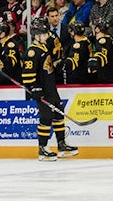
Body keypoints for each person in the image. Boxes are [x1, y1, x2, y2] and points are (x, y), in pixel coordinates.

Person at [22, 19, 78, 161]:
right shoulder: (32, 52)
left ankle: (61, 144)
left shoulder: (44, 48)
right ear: (36, 36)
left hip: (51, 88)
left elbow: (47, 67)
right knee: (46, 117)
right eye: (44, 34)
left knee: (59, 114)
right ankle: (42, 148)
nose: (47, 36)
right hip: (42, 90)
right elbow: (28, 74)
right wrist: (34, 88)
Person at [88, 18, 113, 83]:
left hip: (111, 77)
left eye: (93, 28)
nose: (92, 30)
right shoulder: (107, 38)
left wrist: (97, 59)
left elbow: (102, 53)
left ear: (97, 29)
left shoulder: (103, 41)